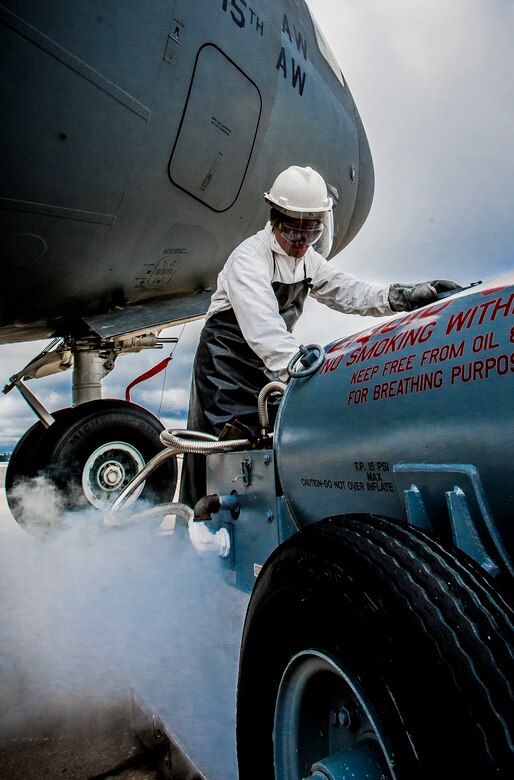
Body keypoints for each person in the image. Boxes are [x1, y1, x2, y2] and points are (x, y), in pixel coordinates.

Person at [179, 165, 460, 506]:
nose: (301, 243)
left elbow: (349, 292)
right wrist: (312, 375)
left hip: (267, 366)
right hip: (224, 367)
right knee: (222, 454)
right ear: (275, 220)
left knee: (266, 447)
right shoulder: (248, 261)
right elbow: (265, 332)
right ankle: (200, 525)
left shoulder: (308, 260)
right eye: (293, 232)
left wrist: (402, 296)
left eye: (310, 233)